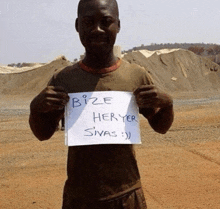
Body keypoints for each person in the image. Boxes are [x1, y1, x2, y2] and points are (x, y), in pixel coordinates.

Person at [29, 0, 174, 208]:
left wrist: (167, 104)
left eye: (106, 22)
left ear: (118, 25)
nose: (97, 29)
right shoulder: (63, 79)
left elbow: (161, 127)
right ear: (77, 25)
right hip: (80, 198)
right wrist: (36, 108)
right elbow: (43, 133)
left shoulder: (136, 75)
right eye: (89, 22)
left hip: (127, 194)